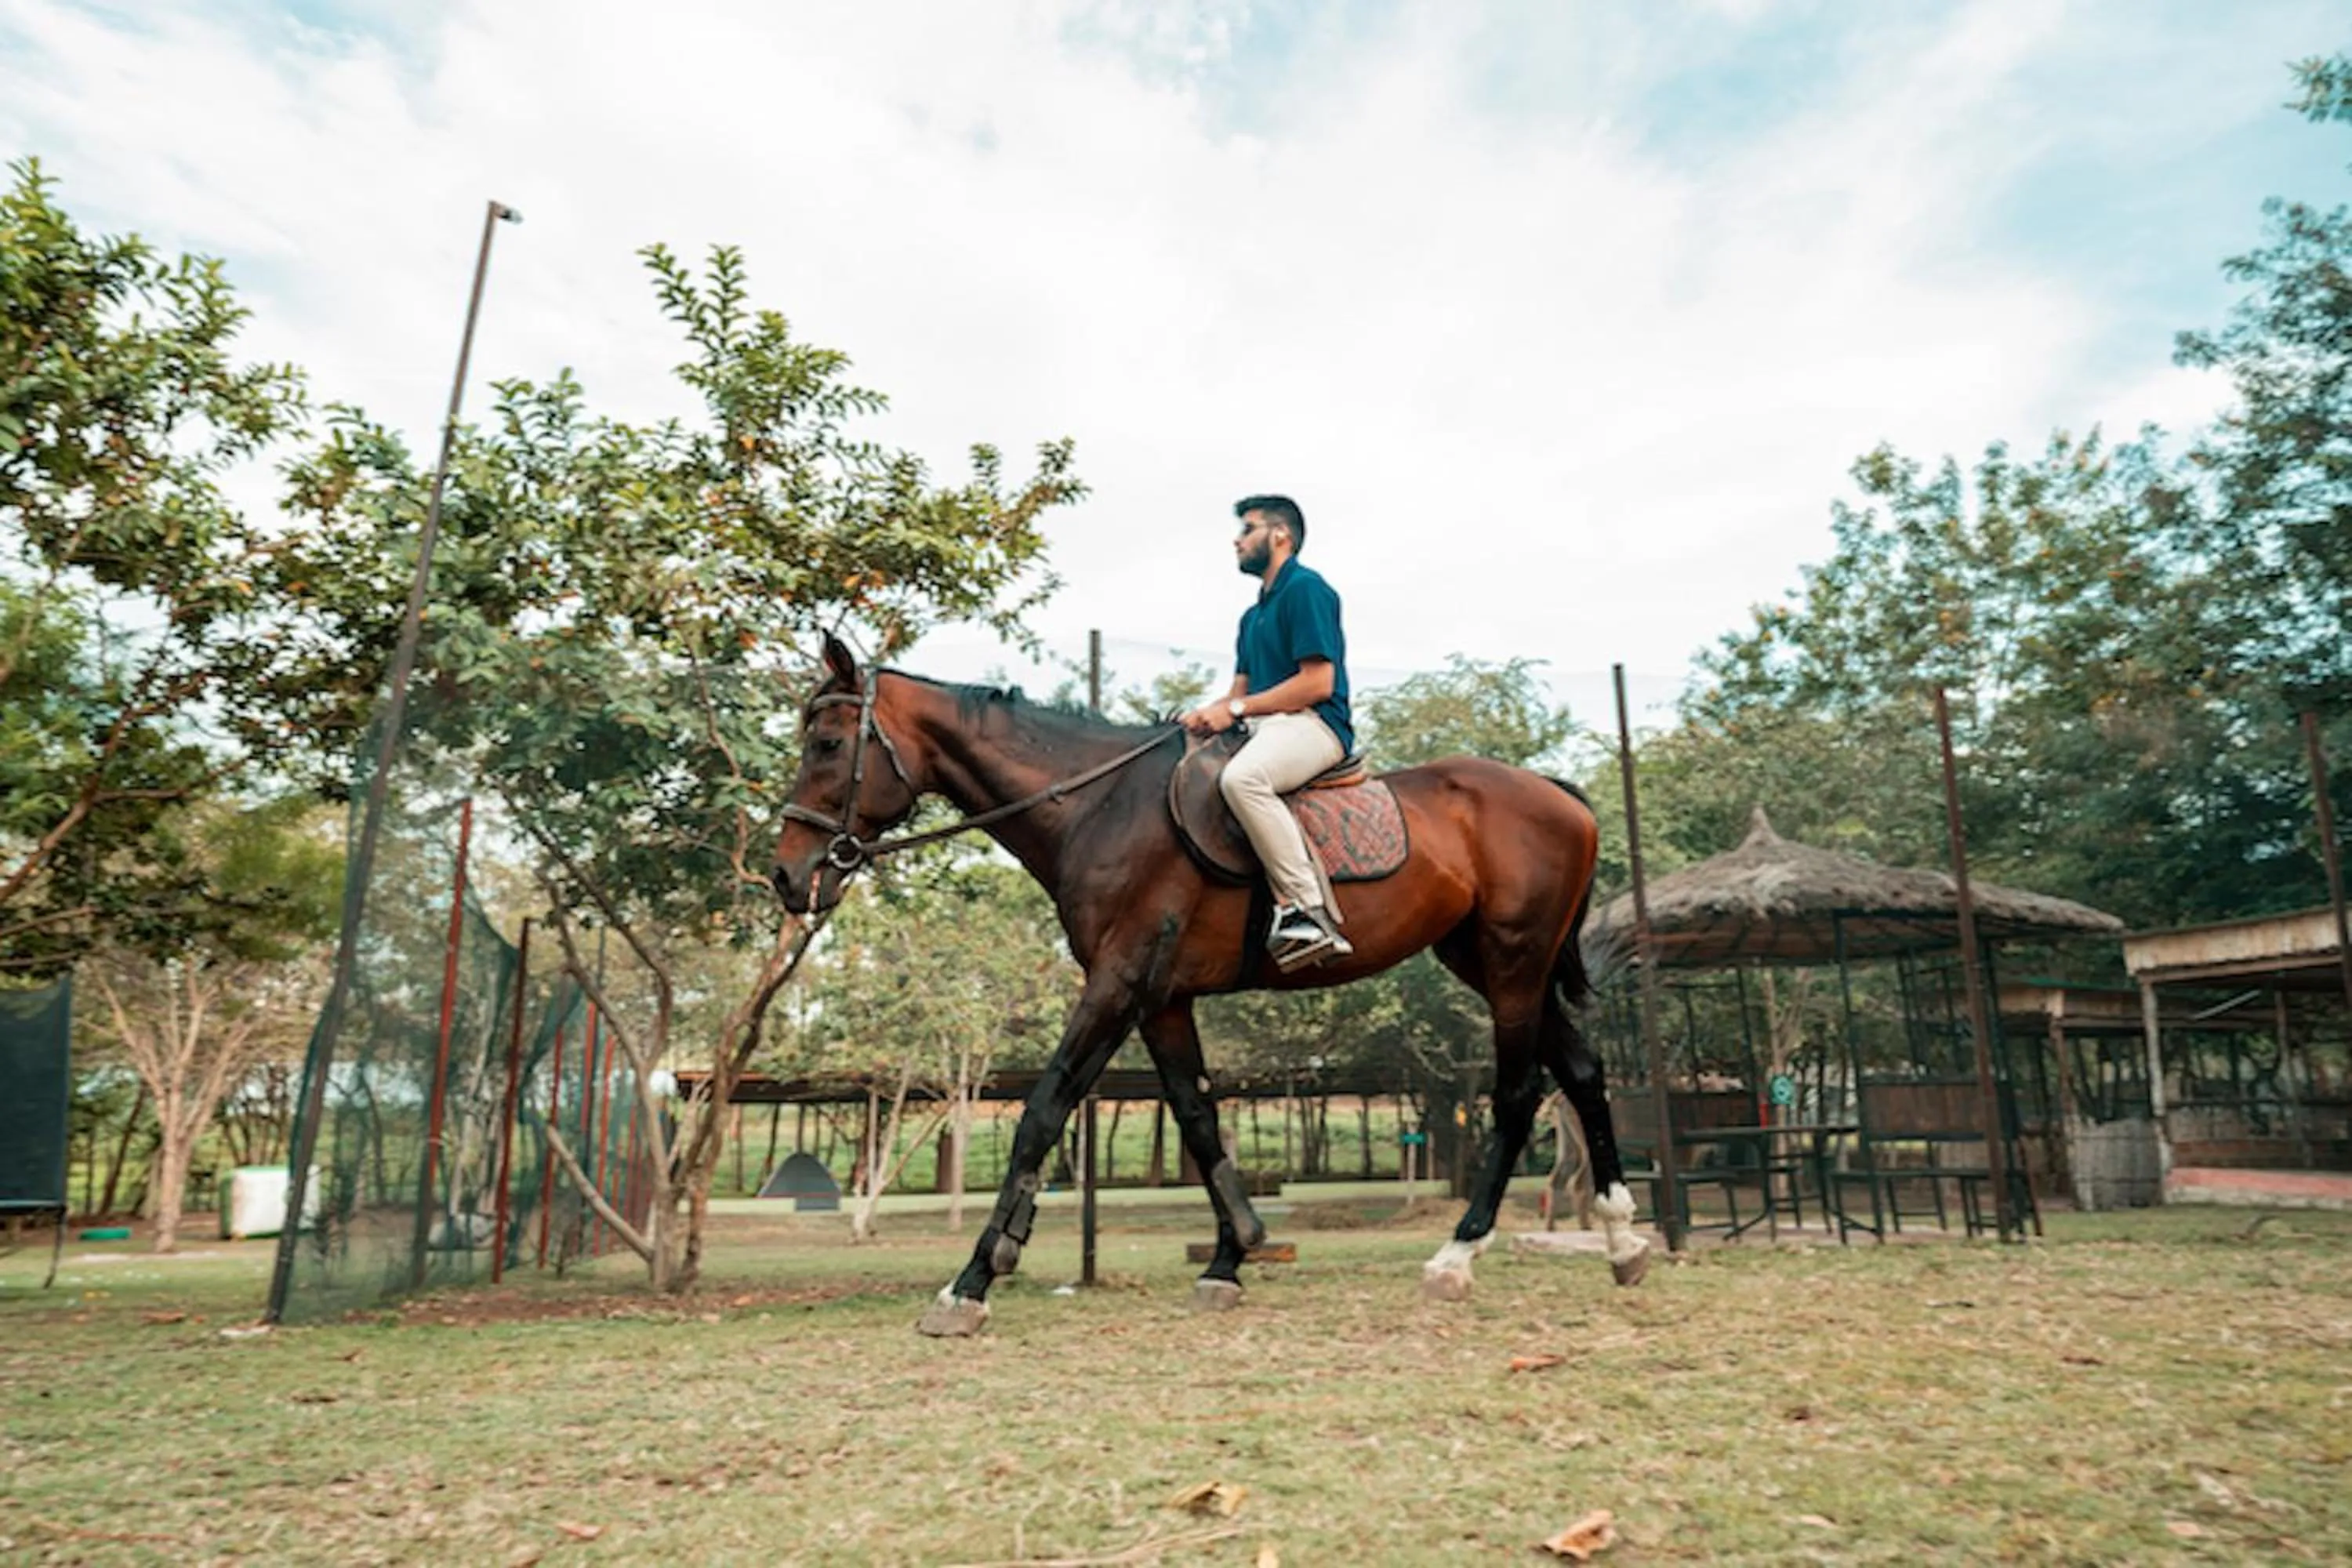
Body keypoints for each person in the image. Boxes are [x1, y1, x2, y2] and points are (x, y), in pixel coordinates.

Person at [1181, 494, 1356, 969]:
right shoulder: (1251, 616)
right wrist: (1205, 715)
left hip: (1314, 726)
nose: (1236, 540)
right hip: (1263, 728)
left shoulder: (1307, 590)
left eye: (1248, 529)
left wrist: (1235, 707)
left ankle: (1306, 912)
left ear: (1280, 536)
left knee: (1244, 780)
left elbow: (1318, 683)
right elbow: (1238, 691)